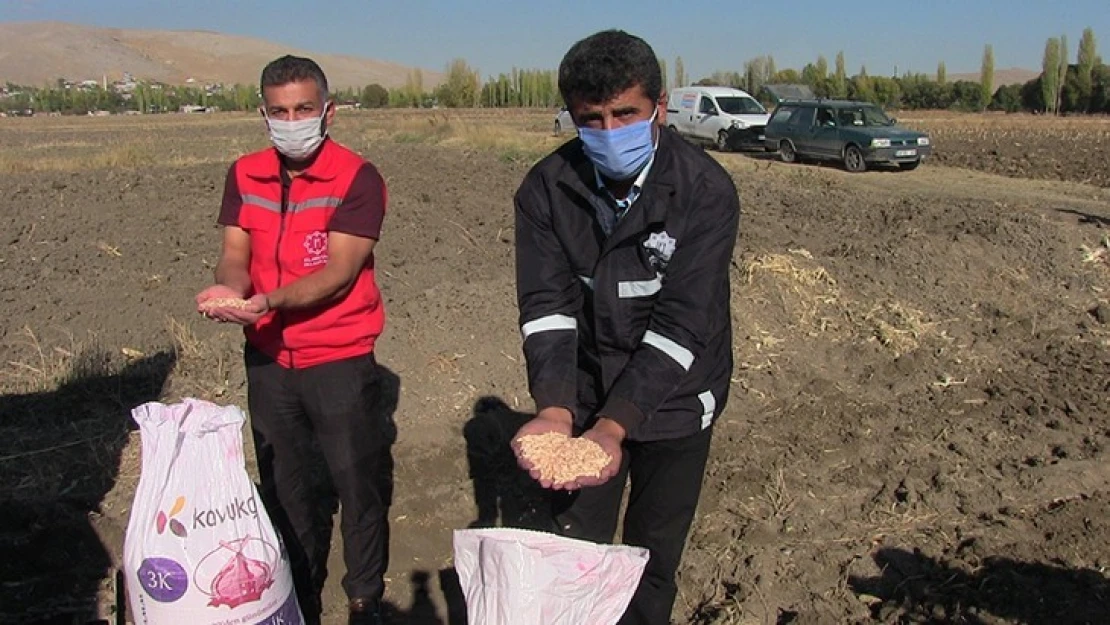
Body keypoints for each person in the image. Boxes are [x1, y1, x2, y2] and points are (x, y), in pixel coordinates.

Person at [510, 30, 741, 624]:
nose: (610, 134)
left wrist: (617, 425)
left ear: (659, 109)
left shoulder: (706, 192)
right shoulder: (546, 188)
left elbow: (684, 324)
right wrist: (558, 410)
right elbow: (547, 309)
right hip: (586, 393)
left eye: (625, 114)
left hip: (678, 399)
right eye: (592, 119)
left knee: (651, 557)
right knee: (572, 549)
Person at [195, 55, 391, 625]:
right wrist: (230, 292)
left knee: (357, 483)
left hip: (340, 357)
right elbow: (236, 256)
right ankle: (298, 590)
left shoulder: (358, 177)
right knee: (285, 485)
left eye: (304, 108)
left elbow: (338, 273)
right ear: (263, 115)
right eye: (280, 111)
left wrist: (268, 301)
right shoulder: (244, 173)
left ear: (328, 110)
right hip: (268, 358)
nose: (292, 119)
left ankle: (364, 597)